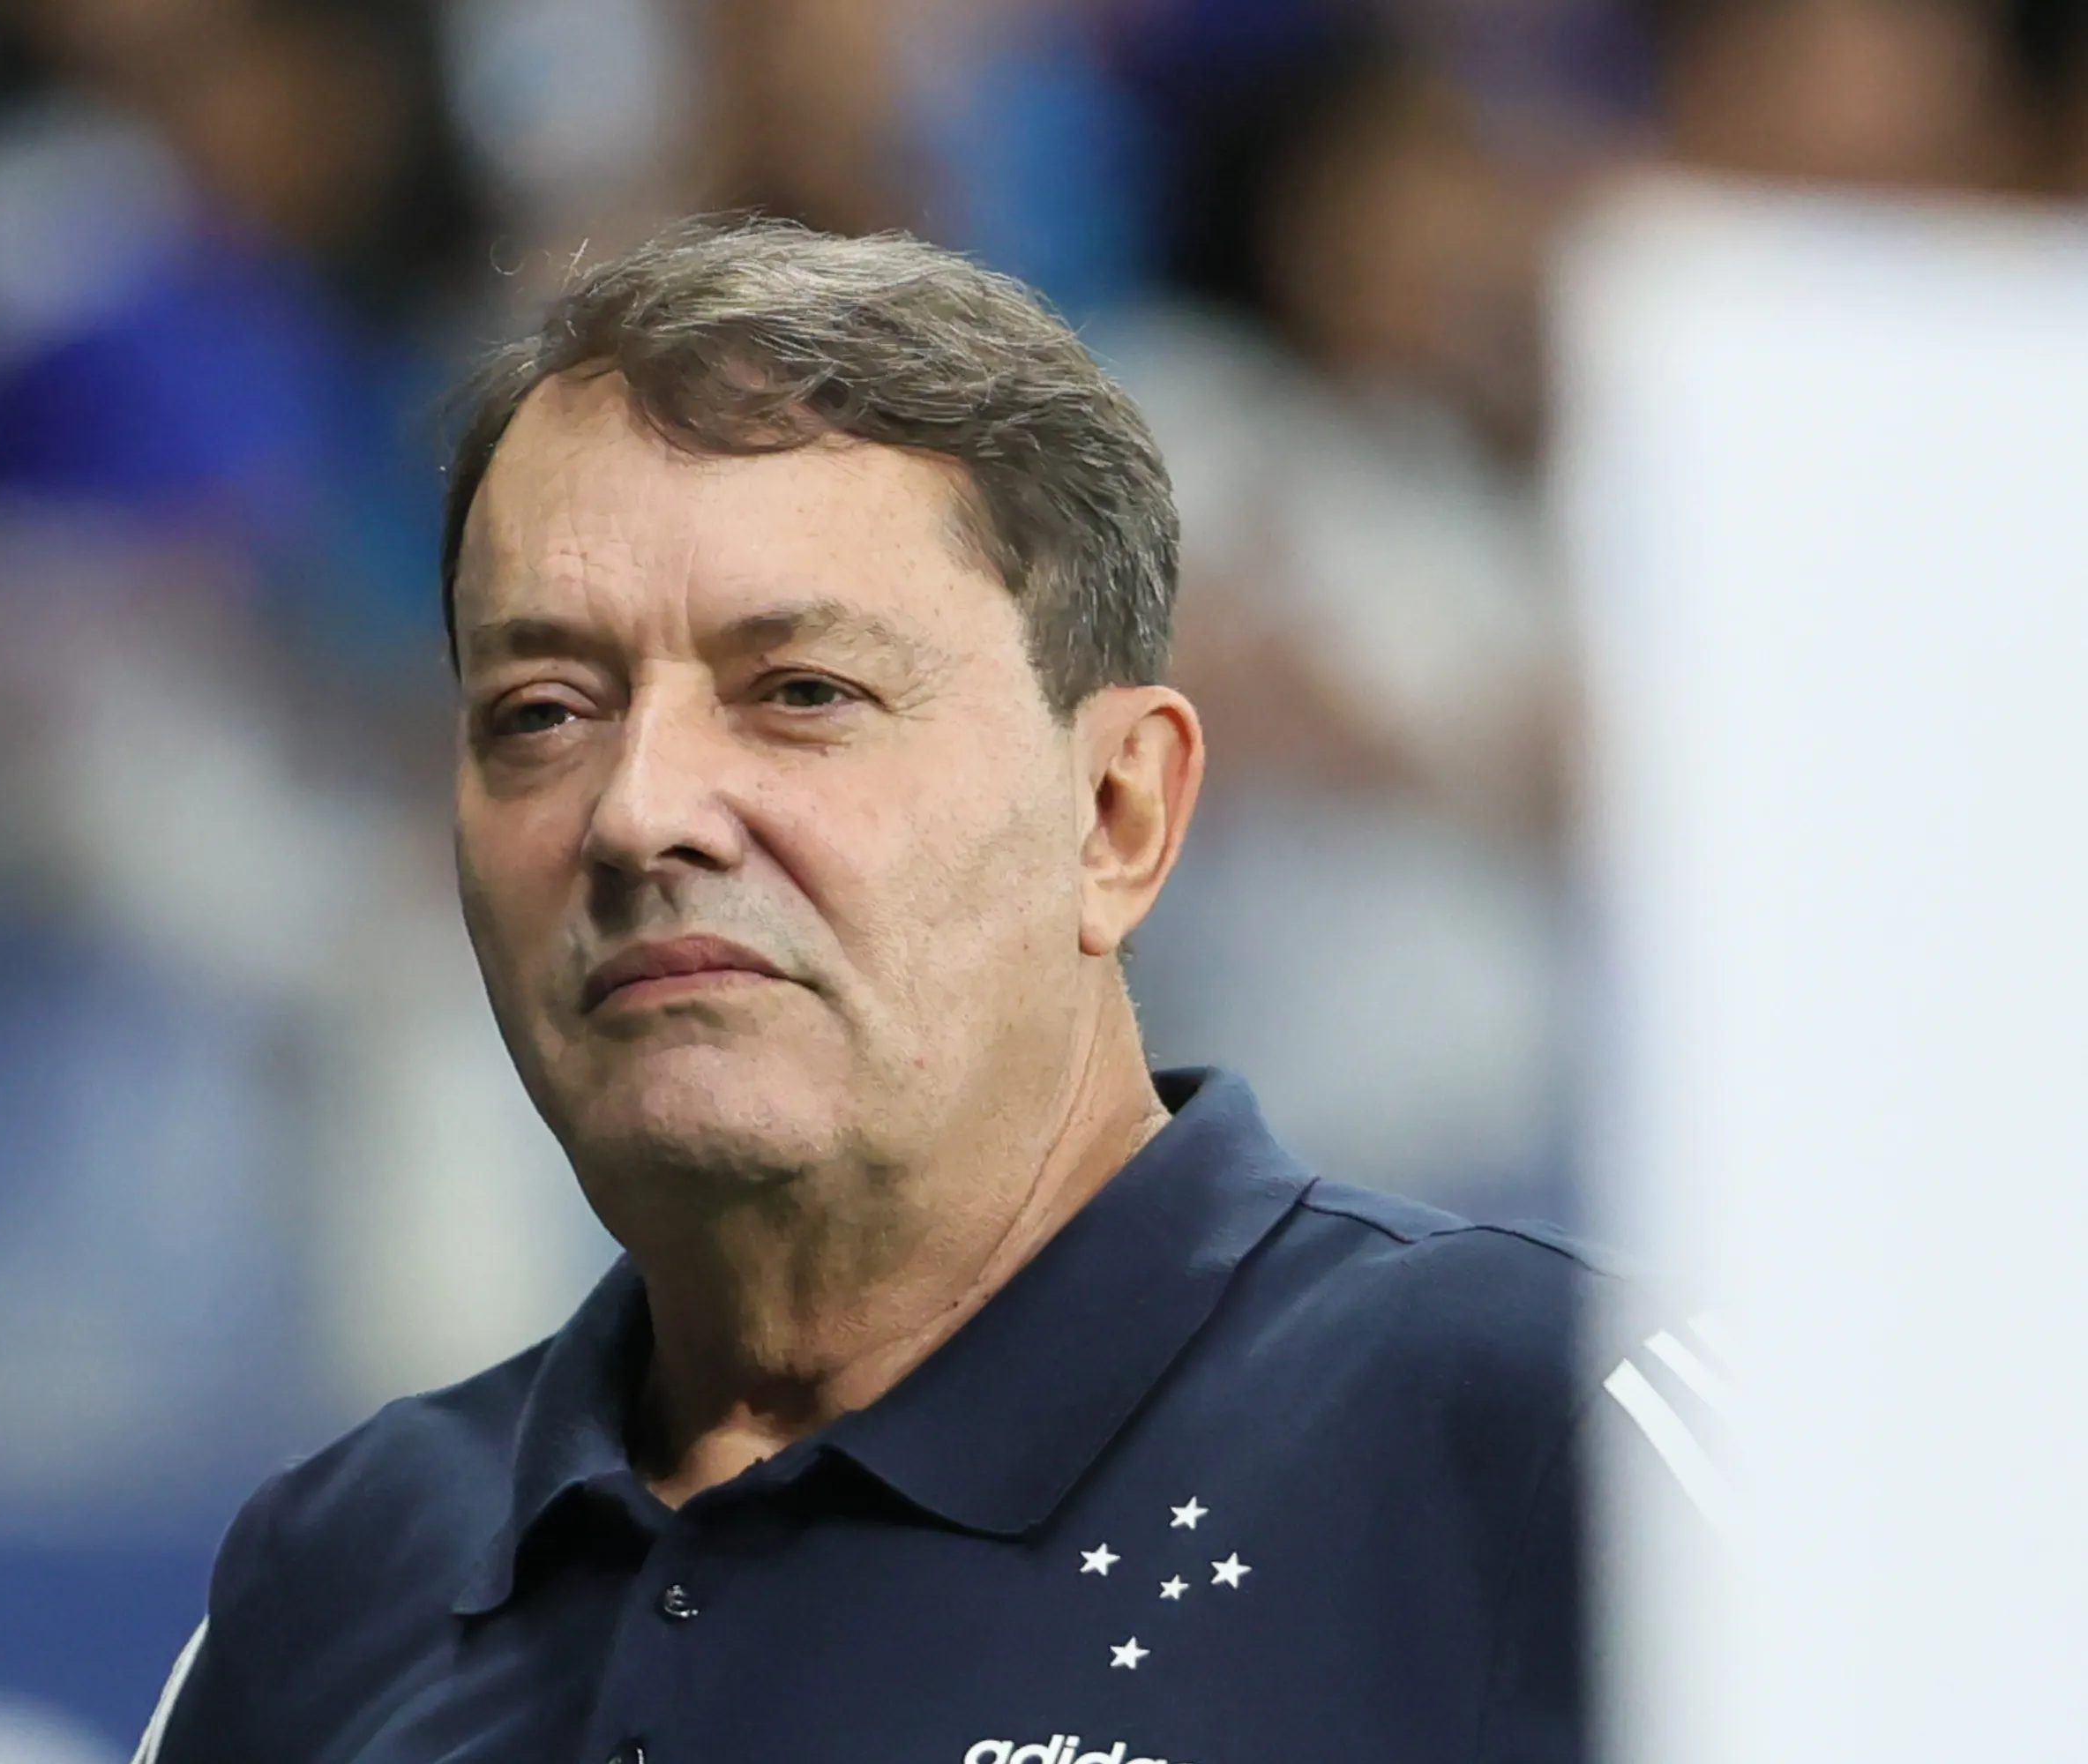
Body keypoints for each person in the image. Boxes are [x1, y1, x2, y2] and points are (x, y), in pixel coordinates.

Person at [133, 218, 1718, 1764]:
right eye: (544, 711)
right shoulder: (327, 1592)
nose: (637, 811)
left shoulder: (1556, 1440)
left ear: (1118, 815)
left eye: (803, 693)